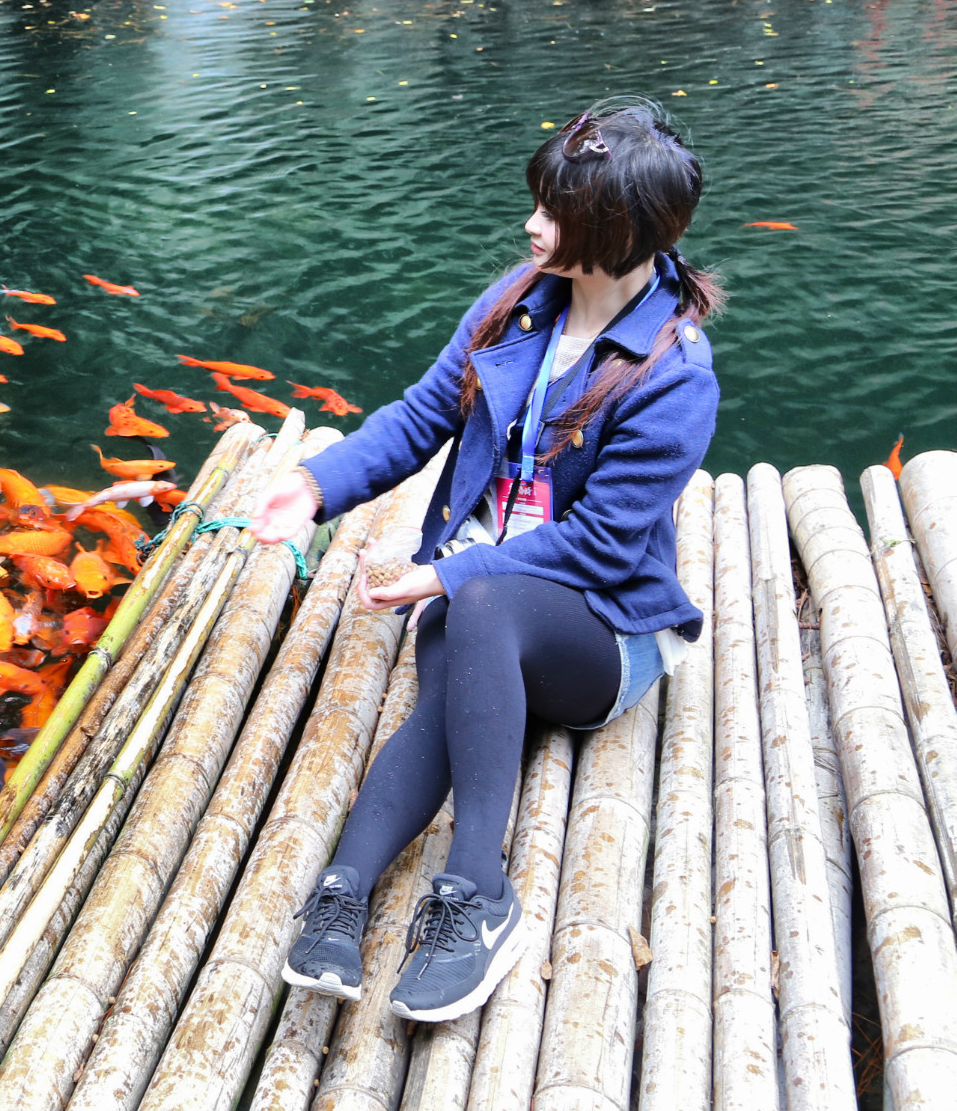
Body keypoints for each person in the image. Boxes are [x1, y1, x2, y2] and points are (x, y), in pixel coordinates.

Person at [247, 97, 721, 1023]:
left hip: (597, 628)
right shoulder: (515, 301)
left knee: (482, 603)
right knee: (460, 650)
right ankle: (344, 890)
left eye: (558, 213)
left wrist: (445, 574)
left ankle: (477, 893)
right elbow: (425, 413)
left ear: (617, 234)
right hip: (478, 600)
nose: (534, 224)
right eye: (541, 201)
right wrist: (315, 484)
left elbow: (601, 544)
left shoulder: (675, 374)